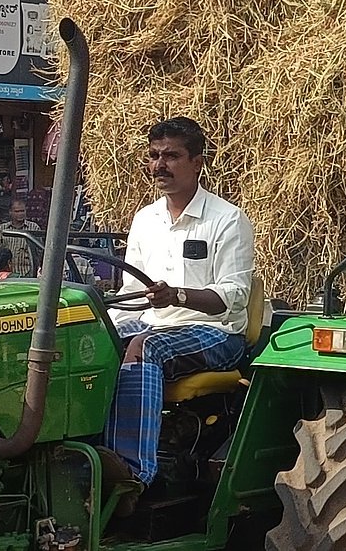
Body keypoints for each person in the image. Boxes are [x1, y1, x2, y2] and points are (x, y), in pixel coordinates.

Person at [100, 117, 255, 497]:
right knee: (90, 340)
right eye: (154, 156)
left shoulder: (227, 220)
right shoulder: (145, 220)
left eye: (171, 156)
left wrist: (178, 296)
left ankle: (133, 474)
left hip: (217, 332)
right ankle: (85, 453)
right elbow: (132, 294)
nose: (159, 165)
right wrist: (105, 330)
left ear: (197, 163)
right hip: (154, 323)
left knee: (146, 347)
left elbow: (233, 297)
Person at [0, 199, 41, 277]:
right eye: (17, 211)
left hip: (28, 274)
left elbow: (40, 253)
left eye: (22, 211)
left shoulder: (34, 228)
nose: (20, 214)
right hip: (7, 275)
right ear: (10, 212)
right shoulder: (3, 229)